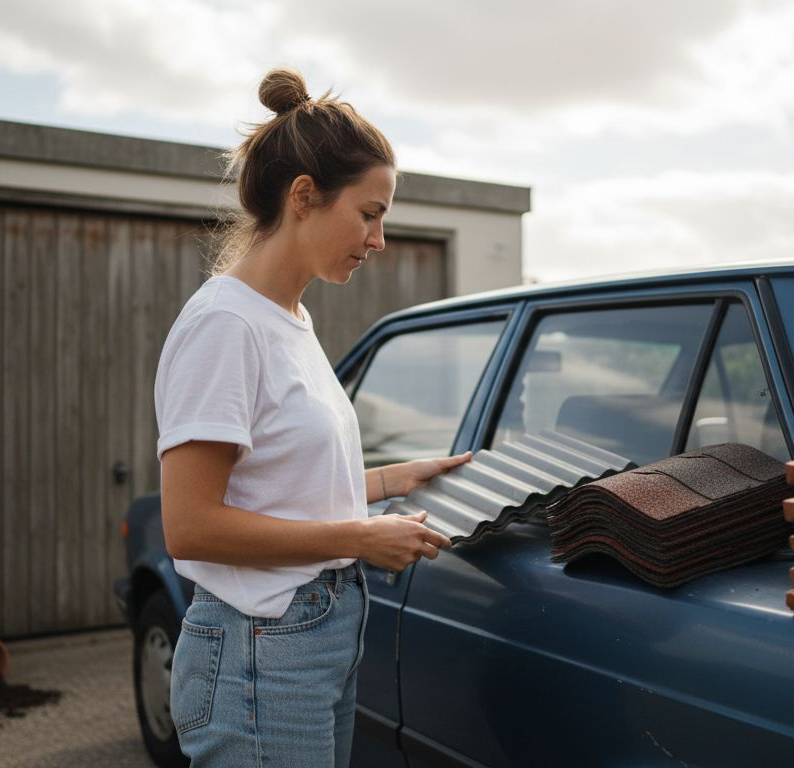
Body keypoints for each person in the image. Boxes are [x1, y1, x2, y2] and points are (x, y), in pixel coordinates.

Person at [153, 67, 470, 767]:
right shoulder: (225, 325)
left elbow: (279, 484)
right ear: (304, 197)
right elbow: (192, 525)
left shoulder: (289, 319)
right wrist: (360, 538)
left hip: (308, 635)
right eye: (369, 212)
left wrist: (393, 479)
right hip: (259, 650)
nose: (380, 238)